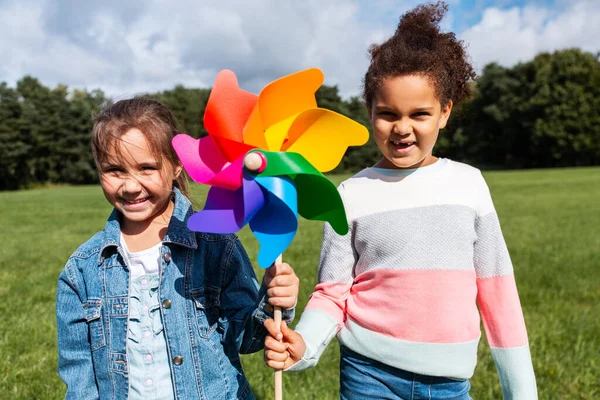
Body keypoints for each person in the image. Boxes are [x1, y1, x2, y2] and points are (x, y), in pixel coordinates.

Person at [263, 2, 537, 399]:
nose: (402, 128)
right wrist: (302, 344)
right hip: (367, 373)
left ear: (445, 111)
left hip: (447, 382)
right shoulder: (350, 194)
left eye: (420, 114)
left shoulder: (469, 185)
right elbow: (333, 291)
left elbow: (498, 293)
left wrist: (522, 391)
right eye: (388, 113)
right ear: (369, 111)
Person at [56, 98, 299, 400]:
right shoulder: (82, 270)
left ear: (175, 165)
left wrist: (275, 301)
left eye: (147, 168)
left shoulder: (215, 246)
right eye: (115, 170)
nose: (131, 186)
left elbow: (248, 338)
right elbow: (79, 373)